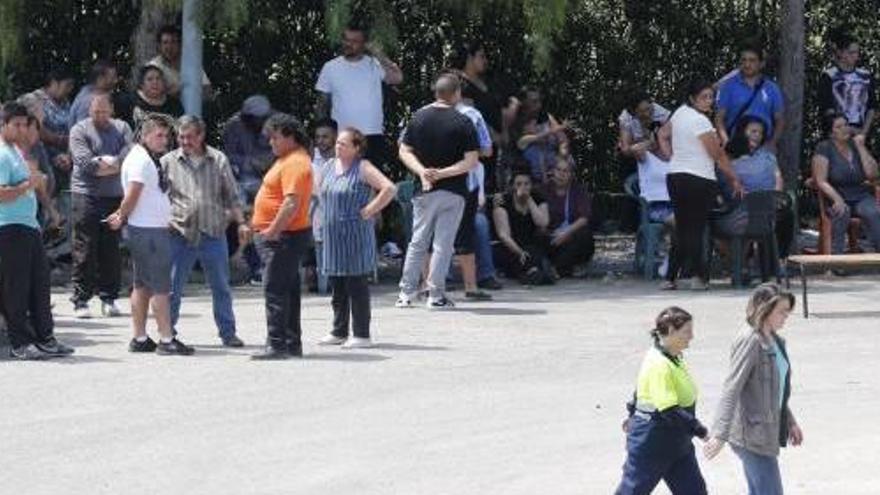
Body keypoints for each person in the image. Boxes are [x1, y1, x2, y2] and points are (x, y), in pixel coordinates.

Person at [106, 114, 194, 355]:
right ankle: (166, 340)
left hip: (145, 229)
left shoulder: (142, 157)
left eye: (166, 135)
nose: (164, 140)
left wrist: (122, 215)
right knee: (160, 287)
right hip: (149, 231)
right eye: (159, 135)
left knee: (142, 285)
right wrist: (121, 215)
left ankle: (140, 337)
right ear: (144, 135)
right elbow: (133, 193)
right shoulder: (142, 161)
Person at [705, 283, 803, 495]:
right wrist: (719, 434)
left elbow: (776, 391)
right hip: (751, 436)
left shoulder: (776, 340)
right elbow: (732, 388)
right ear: (764, 309)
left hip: (767, 431)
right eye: (782, 311)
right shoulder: (750, 340)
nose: (786, 316)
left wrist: (790, 422)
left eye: (788, 311)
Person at [161, 115, 247, 348]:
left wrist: (241, 223)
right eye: (181, 136)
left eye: (189, 136)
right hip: (179, 232)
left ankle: (228, 333)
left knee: (221, 287)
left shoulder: (218, 159)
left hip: (213, 231)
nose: (184, 141)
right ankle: (168, 334)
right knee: (172, 288)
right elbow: (159, 196)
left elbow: (232, 195)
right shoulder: (168, 161)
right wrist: (163, 219)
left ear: (201, 136)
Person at [395, 72, 479, 309]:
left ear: (436, 93)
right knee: (443, 243)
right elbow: (471, 161)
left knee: (418, 241)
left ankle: (406, 293)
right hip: (453, 191)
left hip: (424, 189)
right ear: (456, 94)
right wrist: (442, 173)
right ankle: (436, 295)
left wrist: (423, 172)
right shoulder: (463, 121)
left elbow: (403, 151)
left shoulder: (418, 118)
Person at [0, 101, 74, 360]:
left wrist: (37, 188)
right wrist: (25, 186)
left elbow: (31, 184)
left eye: (24, 124)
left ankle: (46, 338)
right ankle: (20, 343)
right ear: (4, 125)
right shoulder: (1, 154)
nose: (21, 129)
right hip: (9, 227)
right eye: (16, 124)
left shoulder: (17, 152)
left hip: (28, 225)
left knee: (40, 285)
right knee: (16, 287)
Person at [659, 79, 743, 291]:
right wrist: (734, 178)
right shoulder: (702, 122)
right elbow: (717, 155)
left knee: (682, 227)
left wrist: (673, 157)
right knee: (695, 229)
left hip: (676, 176)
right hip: (699, 179)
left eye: (710, 97)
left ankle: (670, 278)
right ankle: (698, 277)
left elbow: (662, 135)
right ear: (692, 98)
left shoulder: (679, 113)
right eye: (704, 97)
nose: (709, 101)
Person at [316, 128, 396, 349]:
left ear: (357, 147)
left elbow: (389, 188)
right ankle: (339, 330)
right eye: (338, 143)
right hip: (333, 235)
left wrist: (370, 210)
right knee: (337, 285)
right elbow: (318, 193)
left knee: (356, 285)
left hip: (355, 234)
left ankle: (361, 334)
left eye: (343, 143)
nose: (338, 146)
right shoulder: (328, 166)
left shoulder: (363, 167)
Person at [615, 307, 708, 495]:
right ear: (671, 332)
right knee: (633, 490)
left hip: (677, 442)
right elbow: (669, 410)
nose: (692, 336)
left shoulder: (673, 357)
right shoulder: (659, 363)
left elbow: (641, 390)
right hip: (653, 442)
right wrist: (701, 431)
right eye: (687, 332)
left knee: (694, 491)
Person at [250, 114, 313, 360]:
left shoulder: (295, 162)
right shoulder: (289, 159)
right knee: (287, 288)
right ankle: (290, 342)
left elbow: (291, 203)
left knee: (275, 289)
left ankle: (277, 344)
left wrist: (273, 231)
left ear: (290, 136)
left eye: (275, 137)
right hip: (285, 234)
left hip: (284, 236)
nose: (271, 143)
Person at [68, 94, 132, 318]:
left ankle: (109, 298)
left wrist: (108, 164)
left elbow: (128, 156)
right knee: (84, 247)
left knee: (111, 248)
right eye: (96, 112)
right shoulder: (79, 130)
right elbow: (86, 164)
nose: (100, 116)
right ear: (89, 111)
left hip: (114, 195)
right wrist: (114, 164)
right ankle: (80, 300)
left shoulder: (122, 127)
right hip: (85, 194)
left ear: (111, 110)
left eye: (104, 112)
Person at [315, 22, 403, 171]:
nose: (349, 44)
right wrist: (323, 131)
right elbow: (322, 102)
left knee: (372, 183)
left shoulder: (374, 64)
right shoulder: (330, 67)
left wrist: (379, 54)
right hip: (343, 134)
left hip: (372, 134)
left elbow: (397, 78)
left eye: (354, 41)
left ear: (364, 44)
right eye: (346, 40)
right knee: (342, 180)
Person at [714, 117, 795, 271]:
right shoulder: (729, 157)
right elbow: (727, 185)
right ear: (742, 132)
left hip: (770, 203)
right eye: (753, 131)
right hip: (742, 206)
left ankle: (779, 260)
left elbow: (778, 177)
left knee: (786, 215)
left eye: (760, 132)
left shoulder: (768, 155)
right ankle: (745, 264)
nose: (757, 135)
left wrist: (776, 197)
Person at [620, 91, 675, 275]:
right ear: (634, 113)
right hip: (656, 206)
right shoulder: (627, 120)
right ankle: (672, 261)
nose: (647, 113)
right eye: (642, 111)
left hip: (674, 203)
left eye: (648, 109)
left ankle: (673, 259)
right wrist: (650, 143)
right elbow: (629, 148)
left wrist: (659, 141)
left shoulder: (662, 115)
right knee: (684, 219)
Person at [222, 94, 275, 284]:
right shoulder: (233, 126)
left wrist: (265, 162)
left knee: (265, 207)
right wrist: (249, 163)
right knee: (242, 210)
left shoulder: (274, 124)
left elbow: (277, 154)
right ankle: (246, 261)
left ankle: (258, 263)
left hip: (267, 178)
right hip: (241, 179)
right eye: (255, 120)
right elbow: (228, 157)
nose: (259, 123)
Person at [811, 112, 880, 253]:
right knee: (842, 212)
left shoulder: (855, 145)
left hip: (860, 195)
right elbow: (820, 180)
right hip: (836, 195)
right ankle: (837, 261)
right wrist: (837, 199)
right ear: (831, 133)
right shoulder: (824, 148)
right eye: (839, 127)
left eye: (846, 125)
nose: (845, 129)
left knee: (873, 211)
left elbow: (873, 174)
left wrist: (861, 147)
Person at [715, 40, 785, 151]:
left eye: (752, 60)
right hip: (735, 147)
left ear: (761, 64)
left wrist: (772, 144)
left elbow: (780, 121)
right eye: (744, 60)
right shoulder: (728, 86)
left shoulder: (772, 88)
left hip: (762, 149)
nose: (747, 64)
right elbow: (719, 119)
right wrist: (726, 142)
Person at [492, 167, 554, 285]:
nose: (523, 187)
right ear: (512, 186)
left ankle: (532, 273)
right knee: (516, 255)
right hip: (510, 245)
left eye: (526, 184)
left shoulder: (538, 198)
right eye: (519, 184)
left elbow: (543, 223)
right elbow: (503, 235)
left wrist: (529, 200)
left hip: (531, 243)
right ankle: (534, 272)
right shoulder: (503, 201)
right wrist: (519, 252)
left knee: (537, 246)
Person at [25, 67, 75, 195]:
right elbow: (34, 128)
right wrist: (60, 140)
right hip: (40, 158)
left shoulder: (65, 103)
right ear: (53, 83)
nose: (69, 90)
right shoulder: (33, 99)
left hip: (63, 160)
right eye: (66, 86)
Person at [818, 30, 876, 137]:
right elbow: (827, 109)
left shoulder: (866, 76)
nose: (855, 56)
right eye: (851, 52)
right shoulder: (829, 76)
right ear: (840, 52)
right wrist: (845, 129)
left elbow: (872, 108)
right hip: (836, 136)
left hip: (861, 135)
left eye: (857, 52)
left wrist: (863, 133)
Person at [545, 157, 594, 277]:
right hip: (551, 235)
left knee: (585, 234)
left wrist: (566, 233)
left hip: (571, 234)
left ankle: (558, 268)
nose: (561, 174)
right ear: (552, 172)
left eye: (566, 171)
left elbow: (584, 218)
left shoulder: (578, 190)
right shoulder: (543, 189)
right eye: (558, 170)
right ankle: (562, 269)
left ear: (571, 174)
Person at [511, 87, 570, 185]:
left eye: (539, 101)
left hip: (555, 166)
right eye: (534, 102)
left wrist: (562, 156)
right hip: (532, 174)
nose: (539, 105)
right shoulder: (516, 123)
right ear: (524, 103)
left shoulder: (546, 118)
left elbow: (563, 140)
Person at [305, 118, 338, 293]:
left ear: (335, 137)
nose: (320, 141)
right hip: (315, 213)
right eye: (317, 137)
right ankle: (320, 277)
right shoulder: (311, 162)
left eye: (325, 137)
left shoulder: (344, 159)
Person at [148, 25, 212, 98]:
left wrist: (183, 89)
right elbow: (152, 95)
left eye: (173, 42)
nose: (169, 47)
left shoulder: (191, 63)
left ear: (180, 44)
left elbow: (208, 90)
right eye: (165, 42)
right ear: (159, 46)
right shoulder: (153, 66)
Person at [115, 65, 184, 131]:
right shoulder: (127, 101)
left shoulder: (174, 104)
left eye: (158, 78)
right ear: (141, 84)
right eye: (149, 79)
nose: (155, 82)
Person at [69, 60, 119, 127]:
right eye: (112, 78)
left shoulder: (95, 93)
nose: (116, 81)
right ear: (100, 79)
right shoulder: (88, 101)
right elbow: (81, 132)